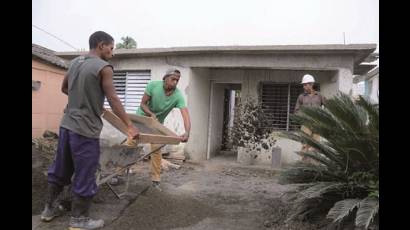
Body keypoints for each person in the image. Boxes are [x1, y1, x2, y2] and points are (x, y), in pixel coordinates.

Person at [40, 31, 140, 229]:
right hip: (85, 130)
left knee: (60, 169)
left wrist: (84, 99)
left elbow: (64, 88)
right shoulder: (104, 67)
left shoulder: (76, 62)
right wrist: (129, 125)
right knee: (86, 173)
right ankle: (79, 221)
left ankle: (48, 210)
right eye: (111, 48)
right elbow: (113, 98)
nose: (112, 52)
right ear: (101, 45)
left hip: (67, 124)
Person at [136, 68, 191, 191]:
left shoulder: (178, 95)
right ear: (165, 78)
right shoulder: (153, 86)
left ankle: (155, 180)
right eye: (173, 79)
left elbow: (185, 114)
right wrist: (151, 114)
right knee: (131, 142)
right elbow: (142, 104)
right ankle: (118, 172)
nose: (175, 82)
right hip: (142, 119)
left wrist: (187, 132)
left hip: (156, 124)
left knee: (156, 148)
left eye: (177, 80)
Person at [294, 74, 325, 162]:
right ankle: (304, 165)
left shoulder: (319, 96)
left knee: (316, 145)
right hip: (306, 124)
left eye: (305, 85)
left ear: (311, 84)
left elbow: (329, 106)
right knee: (305, 144)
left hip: (317, 124)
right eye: (303, 85)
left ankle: (315, 166)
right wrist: (303, 117)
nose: (303, 87)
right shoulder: (301, 97)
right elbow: (296, 110)